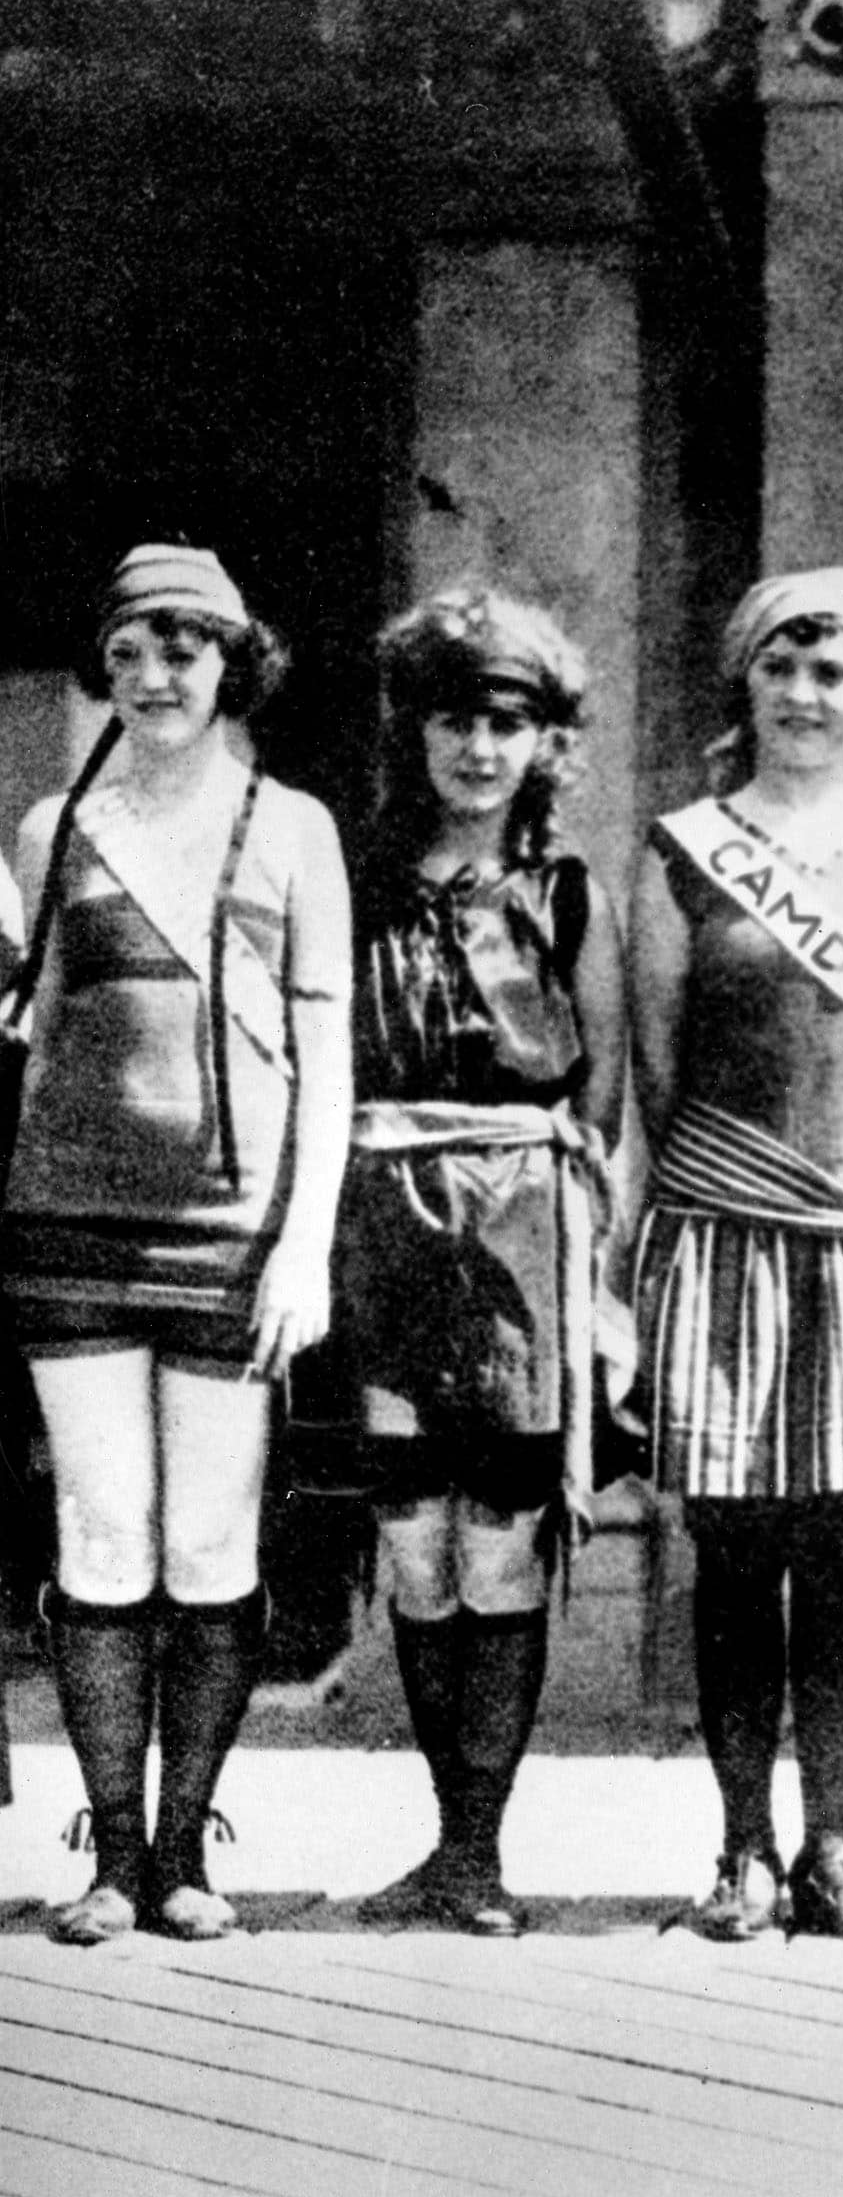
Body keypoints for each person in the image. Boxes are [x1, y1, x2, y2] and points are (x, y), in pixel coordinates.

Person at [6, 544, 352, 1945]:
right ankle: (111, 1848)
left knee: (209, 1534)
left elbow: (327, 1054)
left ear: (231, 664)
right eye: (132, 649)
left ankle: (188, 1846)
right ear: (106, 662)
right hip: (71, 1222)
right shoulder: (49, 823)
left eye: (185, 650)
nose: (156, 677)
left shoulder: (294, 825)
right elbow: (25, 1032)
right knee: (102, 1526)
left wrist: (303, 1242)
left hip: (235, 1225)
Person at [632, 566, 843, 1945]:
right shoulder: (680, 844)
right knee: (731, 1554)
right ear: (744, 684)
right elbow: (655, 1065)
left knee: (841, 1557)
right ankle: (741, 1849)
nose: (805, 696)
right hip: (726, 1232)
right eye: (780, 667)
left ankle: (835, 1844)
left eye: (832, 672)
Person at [291, 590, 625, 1935]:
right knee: (413, 1545)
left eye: (508, 721)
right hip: (382, 1220)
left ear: (543, 739)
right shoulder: (356, 879)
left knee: (502, 1546)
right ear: (414, 728)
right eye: (455, 718)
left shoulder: (565, 891)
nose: (479, 747)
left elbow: (605, 1093)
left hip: (523, 1224)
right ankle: (441, 1843)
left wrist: (586, 1262)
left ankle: (480, 1849)